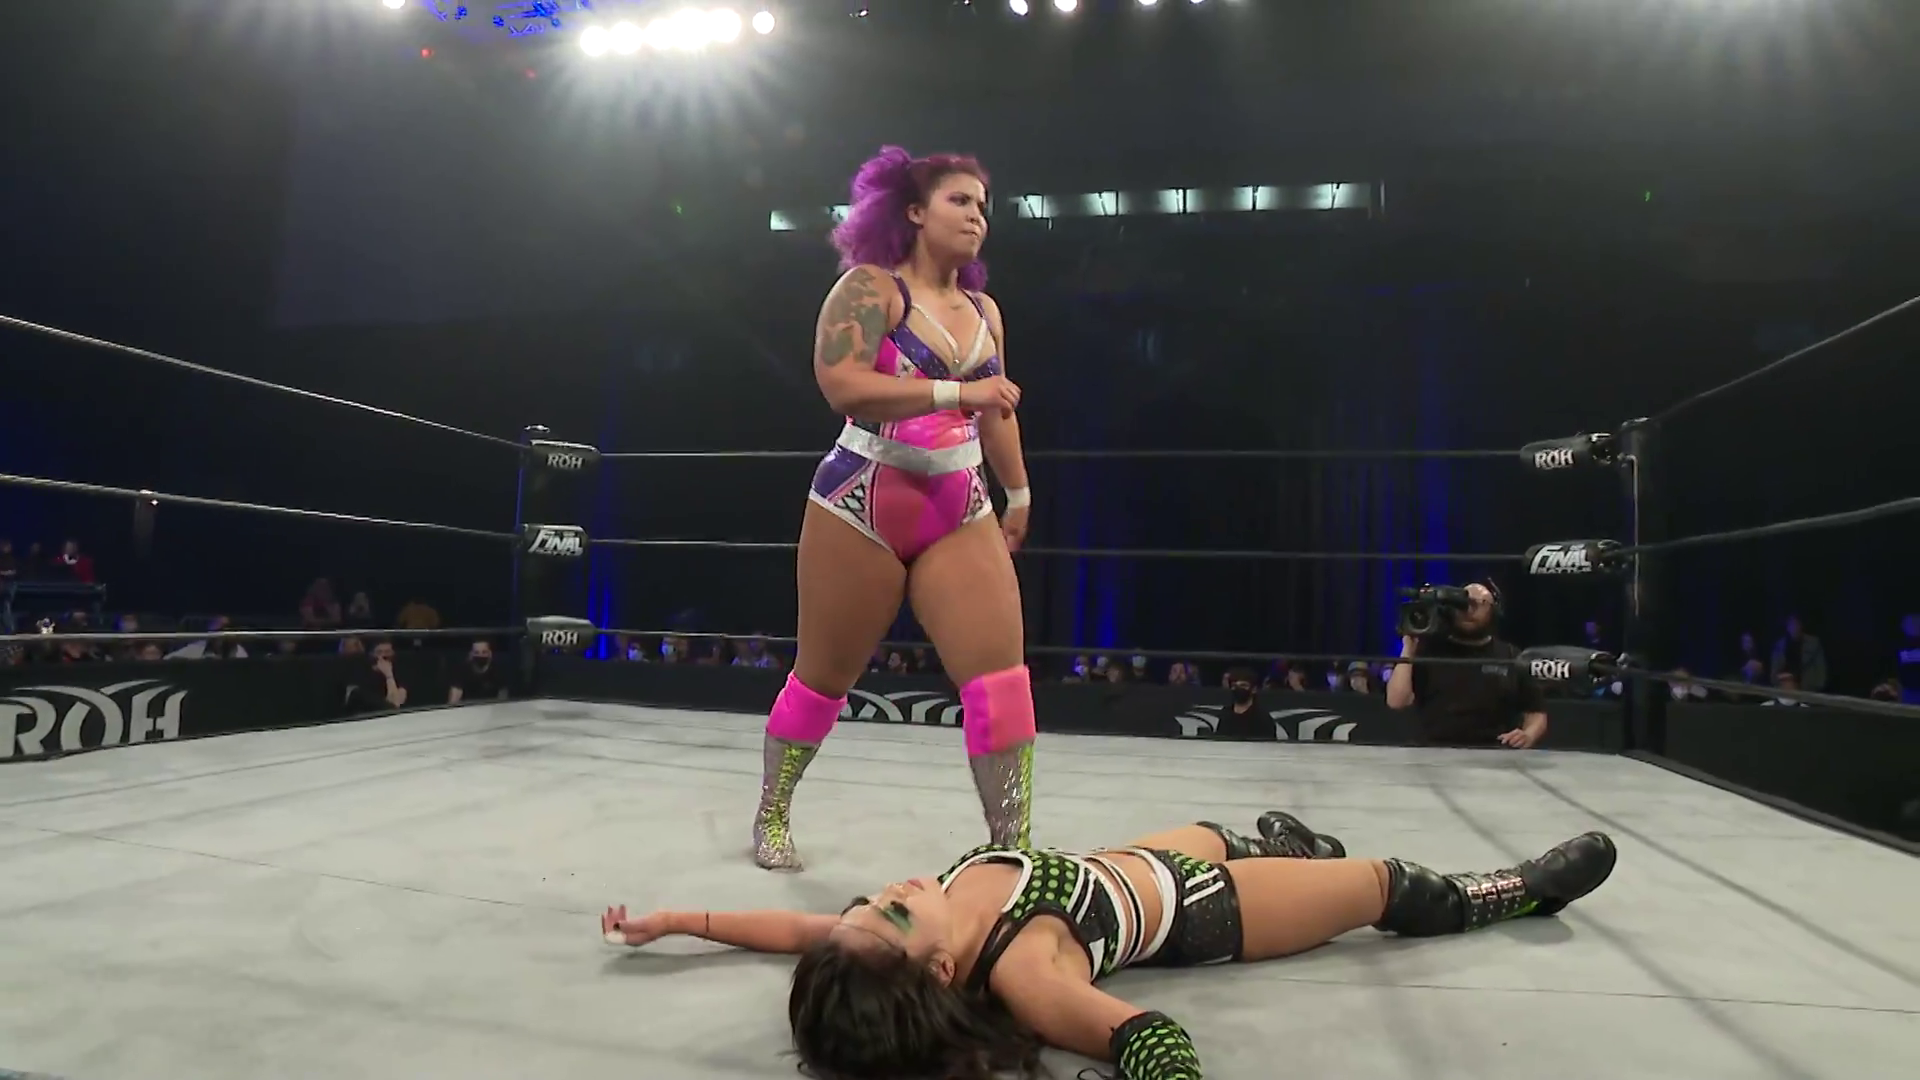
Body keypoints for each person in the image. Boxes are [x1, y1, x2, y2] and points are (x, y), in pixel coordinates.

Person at [602, 813, 1617, 1080]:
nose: (888, 893)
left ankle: (1286, 849)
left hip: (1129, 860)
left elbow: (794, 930)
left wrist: (678, 919)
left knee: (1217, 827)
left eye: (869, 906)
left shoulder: (898, 933)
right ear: (943, 971)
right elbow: (1148, 1037)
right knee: (1378, 885)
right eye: (893, 914)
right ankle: (1512, 894)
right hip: (1203, 911)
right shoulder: (1026, 973)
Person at [753, 146, 1034, 871]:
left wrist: (1019, 490)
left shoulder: (984, 312)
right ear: (913, 211)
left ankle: (1013, 851)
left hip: (960, 503)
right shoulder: (869, 289)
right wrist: (955, 393)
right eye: (959, 201)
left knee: (1002, 681)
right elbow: (842, 384)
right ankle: (773, 812)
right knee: (822, 678)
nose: (977, 217)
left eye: (983, 206)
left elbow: (997, 409)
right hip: (861, 499)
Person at [1385, 581, 1549, 748]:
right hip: (1435, 751)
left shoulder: (1511, 656)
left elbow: (1536, 713)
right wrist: (1409, 647)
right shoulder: (1430, 651)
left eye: (1479, 604)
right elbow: (1397, 701)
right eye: (1462, 603)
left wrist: (1528, 735)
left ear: (1493, 610)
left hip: (1495, 752)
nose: (1468, 610)